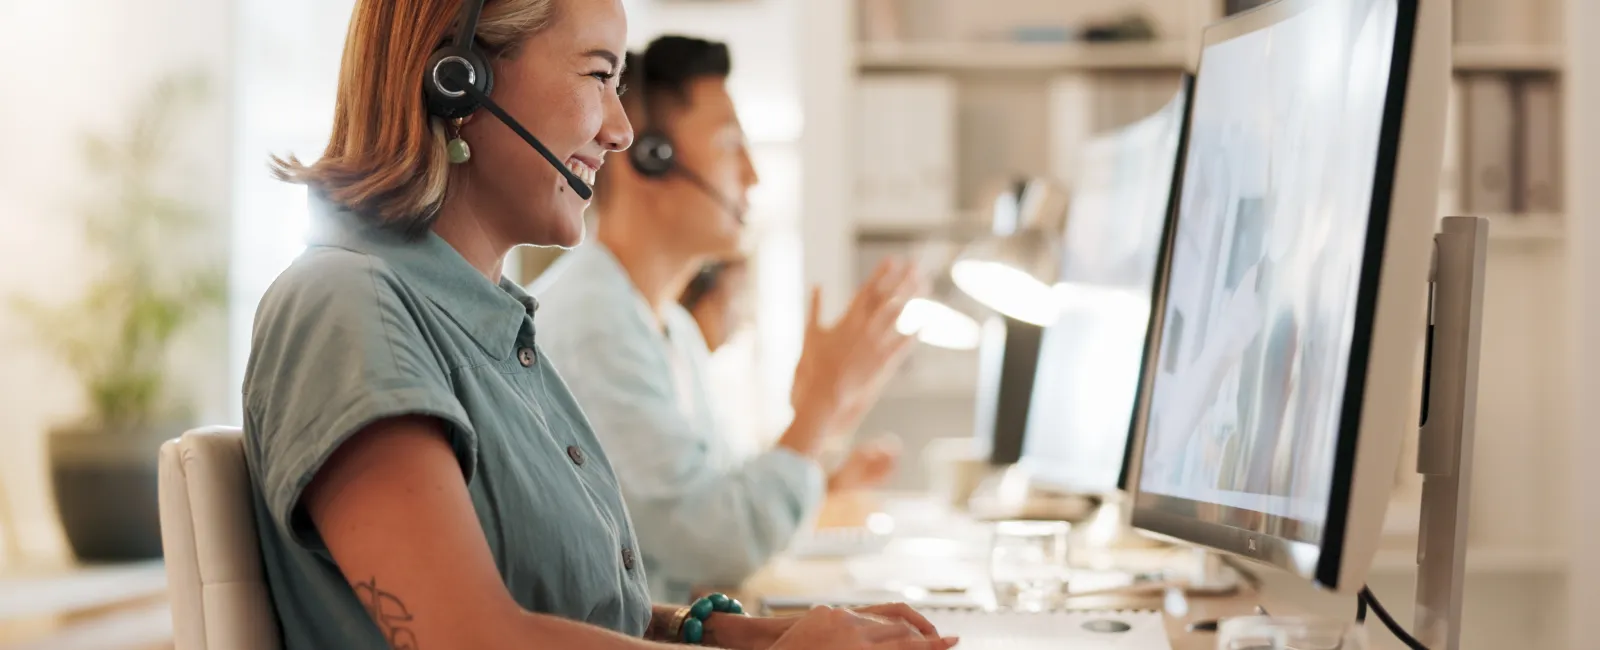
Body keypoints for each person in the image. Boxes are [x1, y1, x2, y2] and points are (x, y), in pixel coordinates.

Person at [240, 1, 953, 648]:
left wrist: (751, 635)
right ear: (456, 79)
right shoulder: (346, 307)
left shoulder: (492, 331)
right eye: (598, 75)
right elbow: (472, 639)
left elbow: (580, 610)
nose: (620, 131)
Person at [531, 35, 918, 602]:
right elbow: (718, 540)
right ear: (649, 158)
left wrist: (825, 437)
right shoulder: (596, 323)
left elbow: (717, 498)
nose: (754, 176)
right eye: (730, 143)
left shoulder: (670, 327)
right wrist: (818, 411)